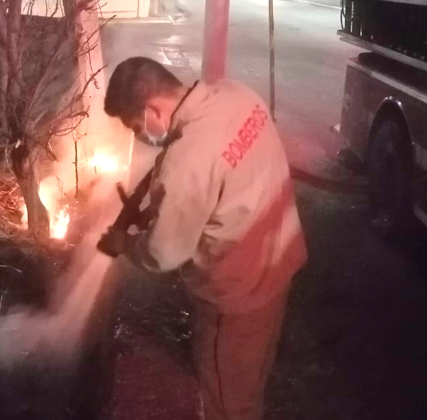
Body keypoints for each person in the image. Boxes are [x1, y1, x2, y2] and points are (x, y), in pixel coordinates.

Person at [99, 57, 308, 420]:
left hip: (238, 297)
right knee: (251, 381)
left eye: (135, 127)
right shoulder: (236, 95)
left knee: (228, 404)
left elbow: (163, 254)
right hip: (280, 259)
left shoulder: (185, 162)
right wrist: (156, 214)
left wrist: (125, 244)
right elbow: (221, 185)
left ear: (153, 109)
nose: (138, 136)